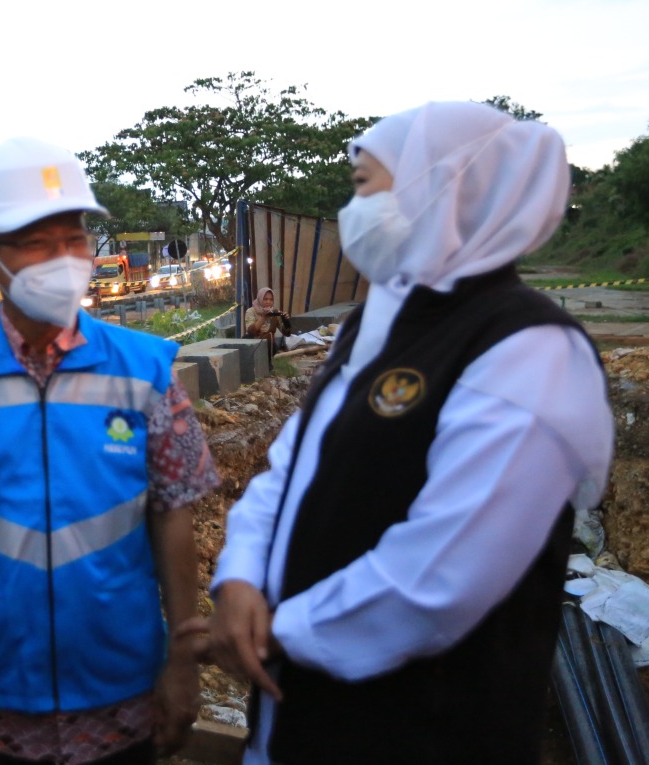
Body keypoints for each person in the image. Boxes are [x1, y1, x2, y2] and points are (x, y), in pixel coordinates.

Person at [197, 101, 615, 764]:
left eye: (365, 186)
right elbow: (289, 469)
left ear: (440, 187)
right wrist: (240, 577)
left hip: (425, 733)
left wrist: (277, 631)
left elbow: (440, 577)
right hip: (297, 723)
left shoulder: (528, 349)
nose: (353, 209)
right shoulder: (375, 324)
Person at [0, 136, 220, 765]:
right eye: (35, 241)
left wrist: (183, 660)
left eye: (74, 237)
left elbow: (174, 513)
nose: (63, 259)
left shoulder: (146, 369)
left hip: (123, 694)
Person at [243, 287, 292, 352]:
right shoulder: (251, 311)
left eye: (271, 299)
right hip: (252, 345)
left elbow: (287, 333)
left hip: (269, 346)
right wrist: (264, 317)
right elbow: (251, 331)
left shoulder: (275, 313)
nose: (268, 302)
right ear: (260, 299)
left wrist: (285, 321)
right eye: (265, 299)